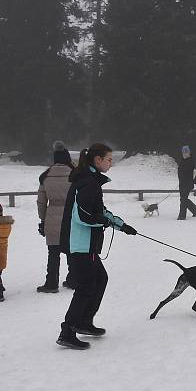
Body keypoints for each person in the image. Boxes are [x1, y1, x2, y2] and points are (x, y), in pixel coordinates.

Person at [57, 143, 138, 350]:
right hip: (81, 246)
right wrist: (103, 222)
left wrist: (122, 225)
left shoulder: (89, 181)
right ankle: (67, 331)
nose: (111, 163)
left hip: (86, 246)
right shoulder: (88, 183)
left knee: (100, 279)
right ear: (97, 160)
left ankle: (84, 322)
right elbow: (83, 216)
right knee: (86, 287)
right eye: (109, 159)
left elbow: (99, 211)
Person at [37, 141, 74, 293]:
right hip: (71, 217)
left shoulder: (45, 176)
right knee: (72, 251)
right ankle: (74, 279)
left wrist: (43, 220)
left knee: (53, 253)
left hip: (52, 217)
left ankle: (51, 283)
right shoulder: (75, 174)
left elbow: (41, 202)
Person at [177, 145, 196, 220]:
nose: (184, 154)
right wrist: (180, 179)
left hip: (188, 183)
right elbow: (180, 171)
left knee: (183, 199)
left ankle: (182, 216)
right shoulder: (181, 160)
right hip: (181, 183)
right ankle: (195, 209)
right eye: (183, 153)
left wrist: (195, 180)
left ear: (189, 153)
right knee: (183, 199)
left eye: (186, 152)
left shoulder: (192, 160)